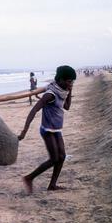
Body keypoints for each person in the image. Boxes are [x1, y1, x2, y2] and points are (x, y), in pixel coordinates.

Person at [18, 66, 76, 194]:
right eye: (68, 81)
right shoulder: (50, 94)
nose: (70, 84)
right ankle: (29, 178)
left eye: (72, 82)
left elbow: (67, 107)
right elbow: (34, 110)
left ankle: (52, 185)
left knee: (62, 157)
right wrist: (24, 130)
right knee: (54, 158)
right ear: (60, 79)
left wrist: (70, 91)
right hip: (47, 130)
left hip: (57, 129)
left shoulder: (62, 91)